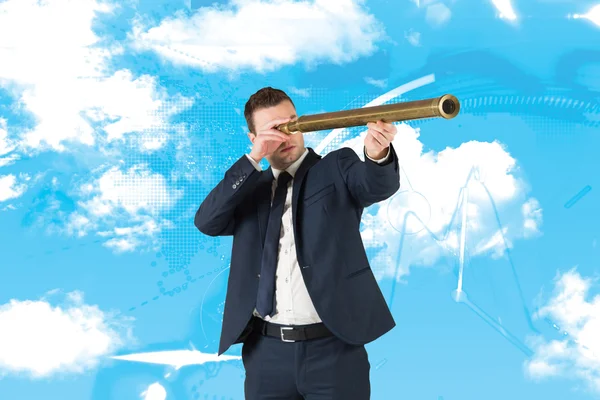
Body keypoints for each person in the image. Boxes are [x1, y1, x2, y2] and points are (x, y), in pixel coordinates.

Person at [194, 87, 400, 399]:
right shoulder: (248, 191)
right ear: (254, 137)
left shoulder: (335, 168)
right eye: (275, 130)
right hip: (265, 353)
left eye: (292, 123)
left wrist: (376, 155)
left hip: (334, 349)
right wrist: (253, 160)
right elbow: (207, 221)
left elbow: (373, 184)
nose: (288, 135)